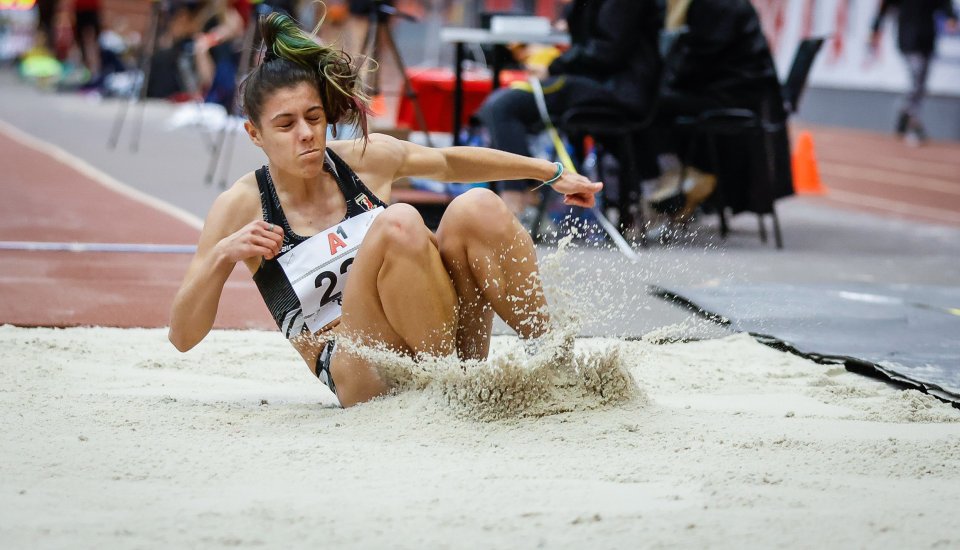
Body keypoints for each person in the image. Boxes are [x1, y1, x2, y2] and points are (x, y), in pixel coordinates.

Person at [167, 12, 602, 408]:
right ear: (255, 134)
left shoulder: (359, 158)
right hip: (358, 366)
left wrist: (550, 171)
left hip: (439, 342)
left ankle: (554, 364)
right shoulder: (241, 205)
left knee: (478, 205)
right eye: (286, 124)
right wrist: (224, 254)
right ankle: (452, 389)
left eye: (314, 118)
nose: (305, 135)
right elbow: (182, 337)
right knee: (398, 222)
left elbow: (450, 162)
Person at [473, 0, 661, 219]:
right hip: (598, 81)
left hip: (614, 88)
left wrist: (554, 65)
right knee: (498, 104)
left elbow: (607, 51)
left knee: (502, 106)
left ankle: (517, 203)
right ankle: (522, 193)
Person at [647, 0, 792, 222]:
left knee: (652, 107)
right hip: (740, 91)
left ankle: (679, 181)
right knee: (660, 102)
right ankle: (681, 181)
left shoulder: (715, 5)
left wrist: (664, 79)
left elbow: (699, 56)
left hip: (733, 96)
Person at [870, 0, 958, 146]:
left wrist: (951, 17)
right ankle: (912, 123)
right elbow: (884, 8)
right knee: (916, 81)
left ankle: (905, 113)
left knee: (921, 84)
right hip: (907, 40)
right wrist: (875, 29)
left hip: (927, 39)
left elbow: (944, 3)